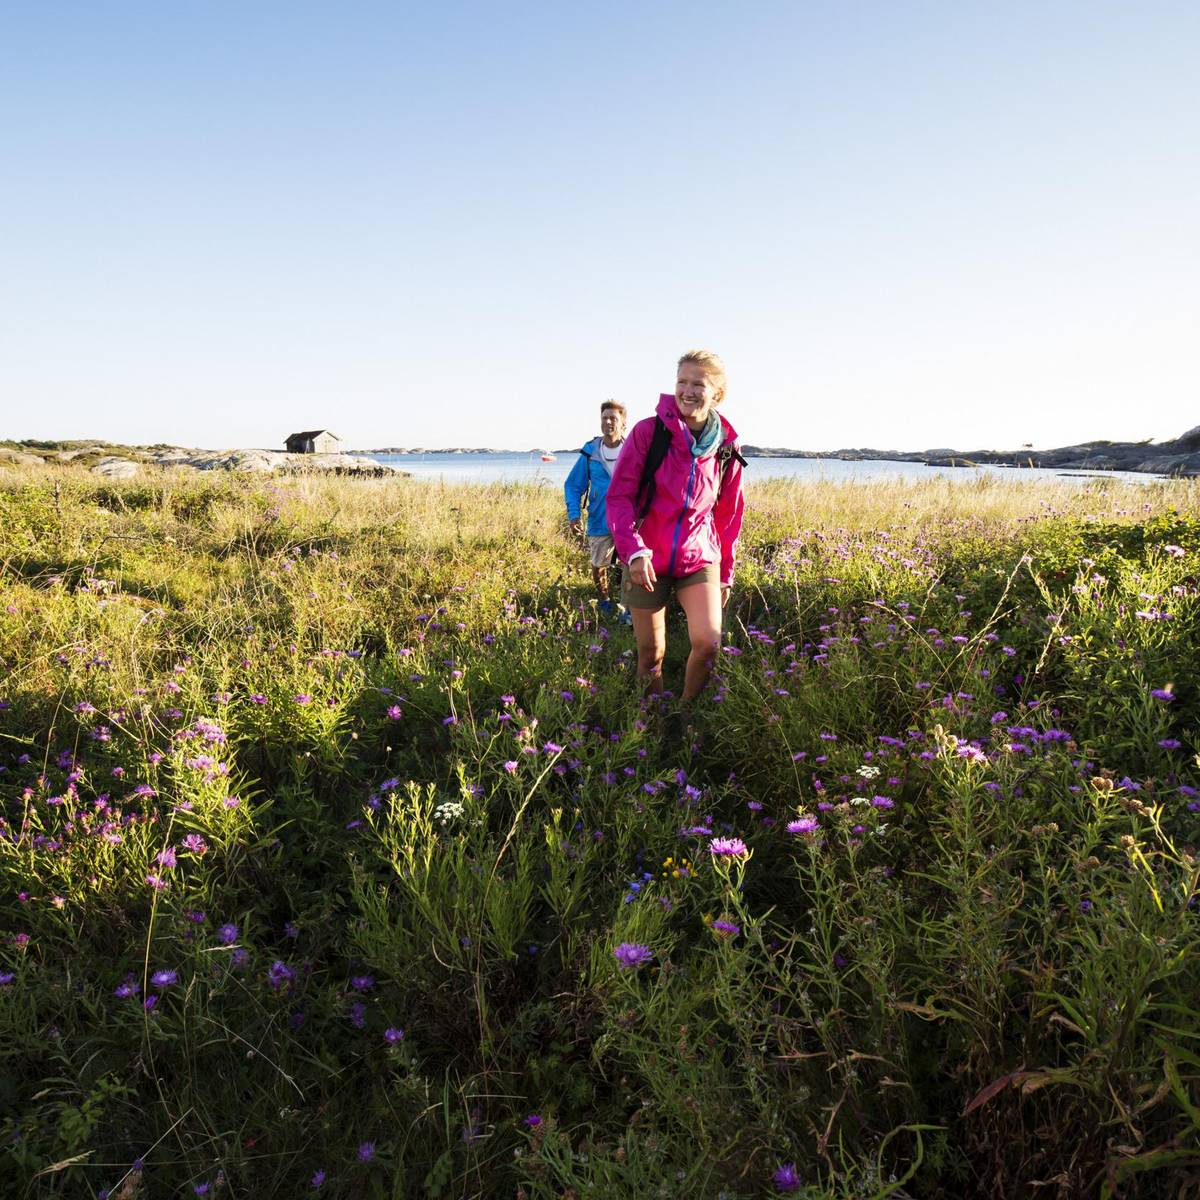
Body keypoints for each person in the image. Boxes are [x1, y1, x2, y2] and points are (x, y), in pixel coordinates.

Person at [606, 349, 745, 710]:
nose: (687, 390)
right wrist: (634, 551)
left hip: (699, 559)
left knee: (709, 644)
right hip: (646, 559)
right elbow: (619, 497)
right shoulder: (648, 433)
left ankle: (684, 715)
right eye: (682, 381)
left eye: (698, 384)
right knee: (651, 653)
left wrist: (725, 573)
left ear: (716, 393)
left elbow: (728, 516)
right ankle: (650, 723)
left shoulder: (727, 446)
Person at [563, 400, 630, 620]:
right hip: (599, 517)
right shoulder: (590, 451)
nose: (608, 422)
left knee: (629, 565)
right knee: (599, 563)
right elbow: (573, 485)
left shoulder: (633, 449)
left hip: (627, 519)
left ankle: (627, 609)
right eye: (604, 418)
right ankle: (604, 602)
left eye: (613, 418)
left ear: (623, 423)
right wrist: (574, 515)